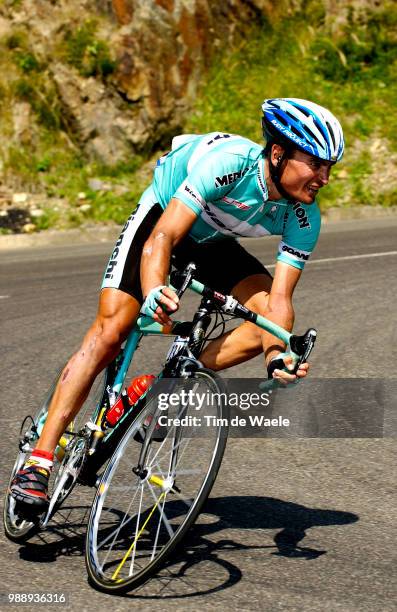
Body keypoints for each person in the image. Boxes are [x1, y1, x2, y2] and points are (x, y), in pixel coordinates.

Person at [10, 98, 344, 511]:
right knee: (113, 327)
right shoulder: (229, 165)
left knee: (265, 326)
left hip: (213, 243)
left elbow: (279, 301)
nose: (324, 178)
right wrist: (153, 289)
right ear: (278, 154)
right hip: (163, 221)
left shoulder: (305, 217)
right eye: (315, 164)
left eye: (330, 167)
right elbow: (163, 239)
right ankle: (39, 463)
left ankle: (164, 383)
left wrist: (276, 356)